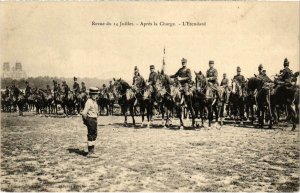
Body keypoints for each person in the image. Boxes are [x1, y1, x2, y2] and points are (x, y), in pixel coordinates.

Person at [81, 87, 99, 158]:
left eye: (96, 94)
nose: (95, 96)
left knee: (94, 134)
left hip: (94, 119)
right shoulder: (89, 102)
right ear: (90, 95)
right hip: (90, 119)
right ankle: (90, 152)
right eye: (93, 94)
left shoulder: (94, 102)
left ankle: (92, 150)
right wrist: (86, 121)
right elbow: (84, 113)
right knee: (91, 134)